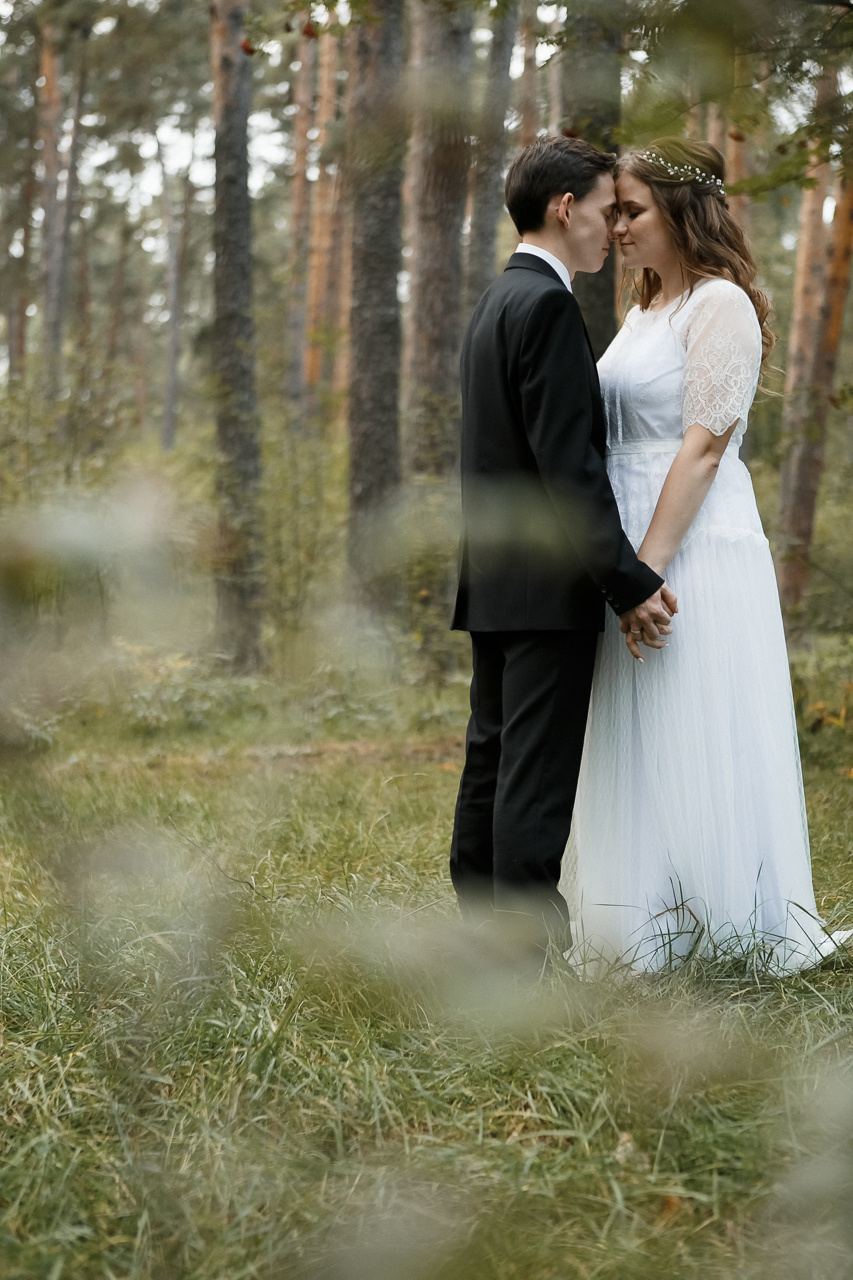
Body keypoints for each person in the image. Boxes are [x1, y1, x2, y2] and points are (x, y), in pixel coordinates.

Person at [559, 137, 850, 974]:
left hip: (691, 548)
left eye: (632, 211)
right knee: (637, 733)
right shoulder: (644, 310)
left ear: (682, 210)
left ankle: (726, 932)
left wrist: (641, 574)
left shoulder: (717, 305)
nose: (615, 227)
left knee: (696, 725)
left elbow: (700, 450)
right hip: (632, 549)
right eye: (611, 212)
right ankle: (643, 931)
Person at [449, 137, 676, 954]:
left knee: (494, 758)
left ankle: (479, 936)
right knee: (532, 778)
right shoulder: (545, 306)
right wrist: (628, 580)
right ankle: (522, 962)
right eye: (607, 210)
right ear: (564, 207)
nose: (613, 231)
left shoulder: (497, 300)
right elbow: (567, 470)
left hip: (495, 578)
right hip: (546, 586)